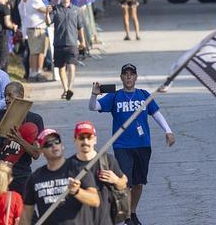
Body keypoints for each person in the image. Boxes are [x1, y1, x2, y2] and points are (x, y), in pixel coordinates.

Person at [89, 63, 176, 225]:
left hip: (142, 145)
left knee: (138, 183)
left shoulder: (144, 95)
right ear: (121, 77)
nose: (128, 77)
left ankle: (133, 212)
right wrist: (94, 95)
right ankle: (126, 215)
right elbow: (93, 107)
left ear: (136, 77)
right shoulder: (114, 96)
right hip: (122, 146)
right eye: (125, 74)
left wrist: (168, 131)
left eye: (131, 74)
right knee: (125, 183)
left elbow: (156, 113)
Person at [20, 129, 100, 225]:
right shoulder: (35, 178)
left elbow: (95, 200)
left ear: (62, 145)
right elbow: (26, 213)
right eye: (48, 144)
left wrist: (77, 191)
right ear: (41, 151)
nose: (54, 145)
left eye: (56, 141)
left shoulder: (78, 169)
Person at [0, 82, 43, 193]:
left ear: (20, 96)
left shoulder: (35, 119)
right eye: (5, 95)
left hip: (21, 175)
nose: (6, 99)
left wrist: (19, 140)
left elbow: (36, 154)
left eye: (10, 95)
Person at [70, 121, 128, 225]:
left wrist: (115, 180)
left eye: (89, 137)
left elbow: (123, 183)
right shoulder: (69, 165)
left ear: (95, 140)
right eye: (81, 138)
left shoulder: (107, 160)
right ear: (75, 140)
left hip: (108, 220)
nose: (85, 141)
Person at [46, 0, 87, 100]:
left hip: (72, 43)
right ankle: (65, 89)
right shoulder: (56, 9)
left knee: (71, 65)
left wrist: (82, 41)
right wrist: (46, 13)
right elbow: (48, 23)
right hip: (59, 43)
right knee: (61, 67)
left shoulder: (76, 10)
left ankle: (70, 88)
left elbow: (80, 27)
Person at [24, 0, 49, 82]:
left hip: (38, 28)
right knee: (35, 52)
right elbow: (43, 10)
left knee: (39, 52)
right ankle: (34, 73)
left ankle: (37, 72)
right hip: (35, 29)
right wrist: (55, 8)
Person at [0, 0, 19, 71]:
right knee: (3, 60)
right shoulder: (5, 8)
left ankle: (4, 80)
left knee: (0, 58)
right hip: (3, 35)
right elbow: (7, 23)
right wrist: (14, 26)